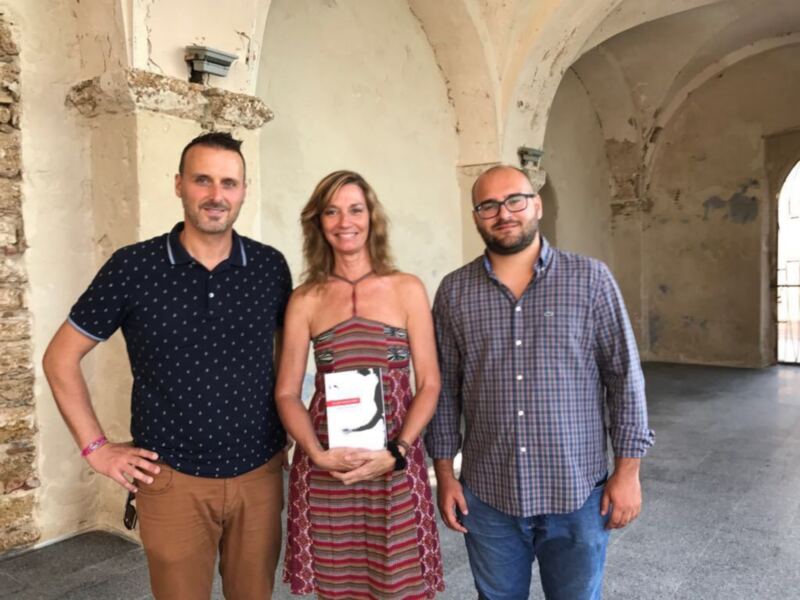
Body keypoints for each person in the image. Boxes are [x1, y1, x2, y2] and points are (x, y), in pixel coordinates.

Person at [42, 132, 292, 600]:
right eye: (203, 180)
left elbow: (290, 356)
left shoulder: (269, 267)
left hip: (259, 476)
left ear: (243, 190)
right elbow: (59, 358)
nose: (217, 195)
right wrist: (96, 447)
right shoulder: (133, 267)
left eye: (229, 183)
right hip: (171, 480)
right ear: (179, 185)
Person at [425, 165, 655, 600]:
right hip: (489, 495)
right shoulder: (455, 292)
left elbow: (625, 379)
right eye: (488, 205)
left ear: (537, 204)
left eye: (515, 199)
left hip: (577, 495)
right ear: (476, 216)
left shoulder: (591, 279)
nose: (503, 213)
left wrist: (628, 473)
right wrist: (444, 475)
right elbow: (445, 390)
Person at [277, 170, 445, 599]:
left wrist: (399, 451)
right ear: (317, 222)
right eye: (331, 211)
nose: (343, 221)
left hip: (393, 459)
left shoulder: (406, 289)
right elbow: (286, 392)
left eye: (354, 209)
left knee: (402, 584)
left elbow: (428, 383)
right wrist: (315, 454)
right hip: (328, 464)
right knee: (338, 588)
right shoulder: (305, 299)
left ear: (372, 217)